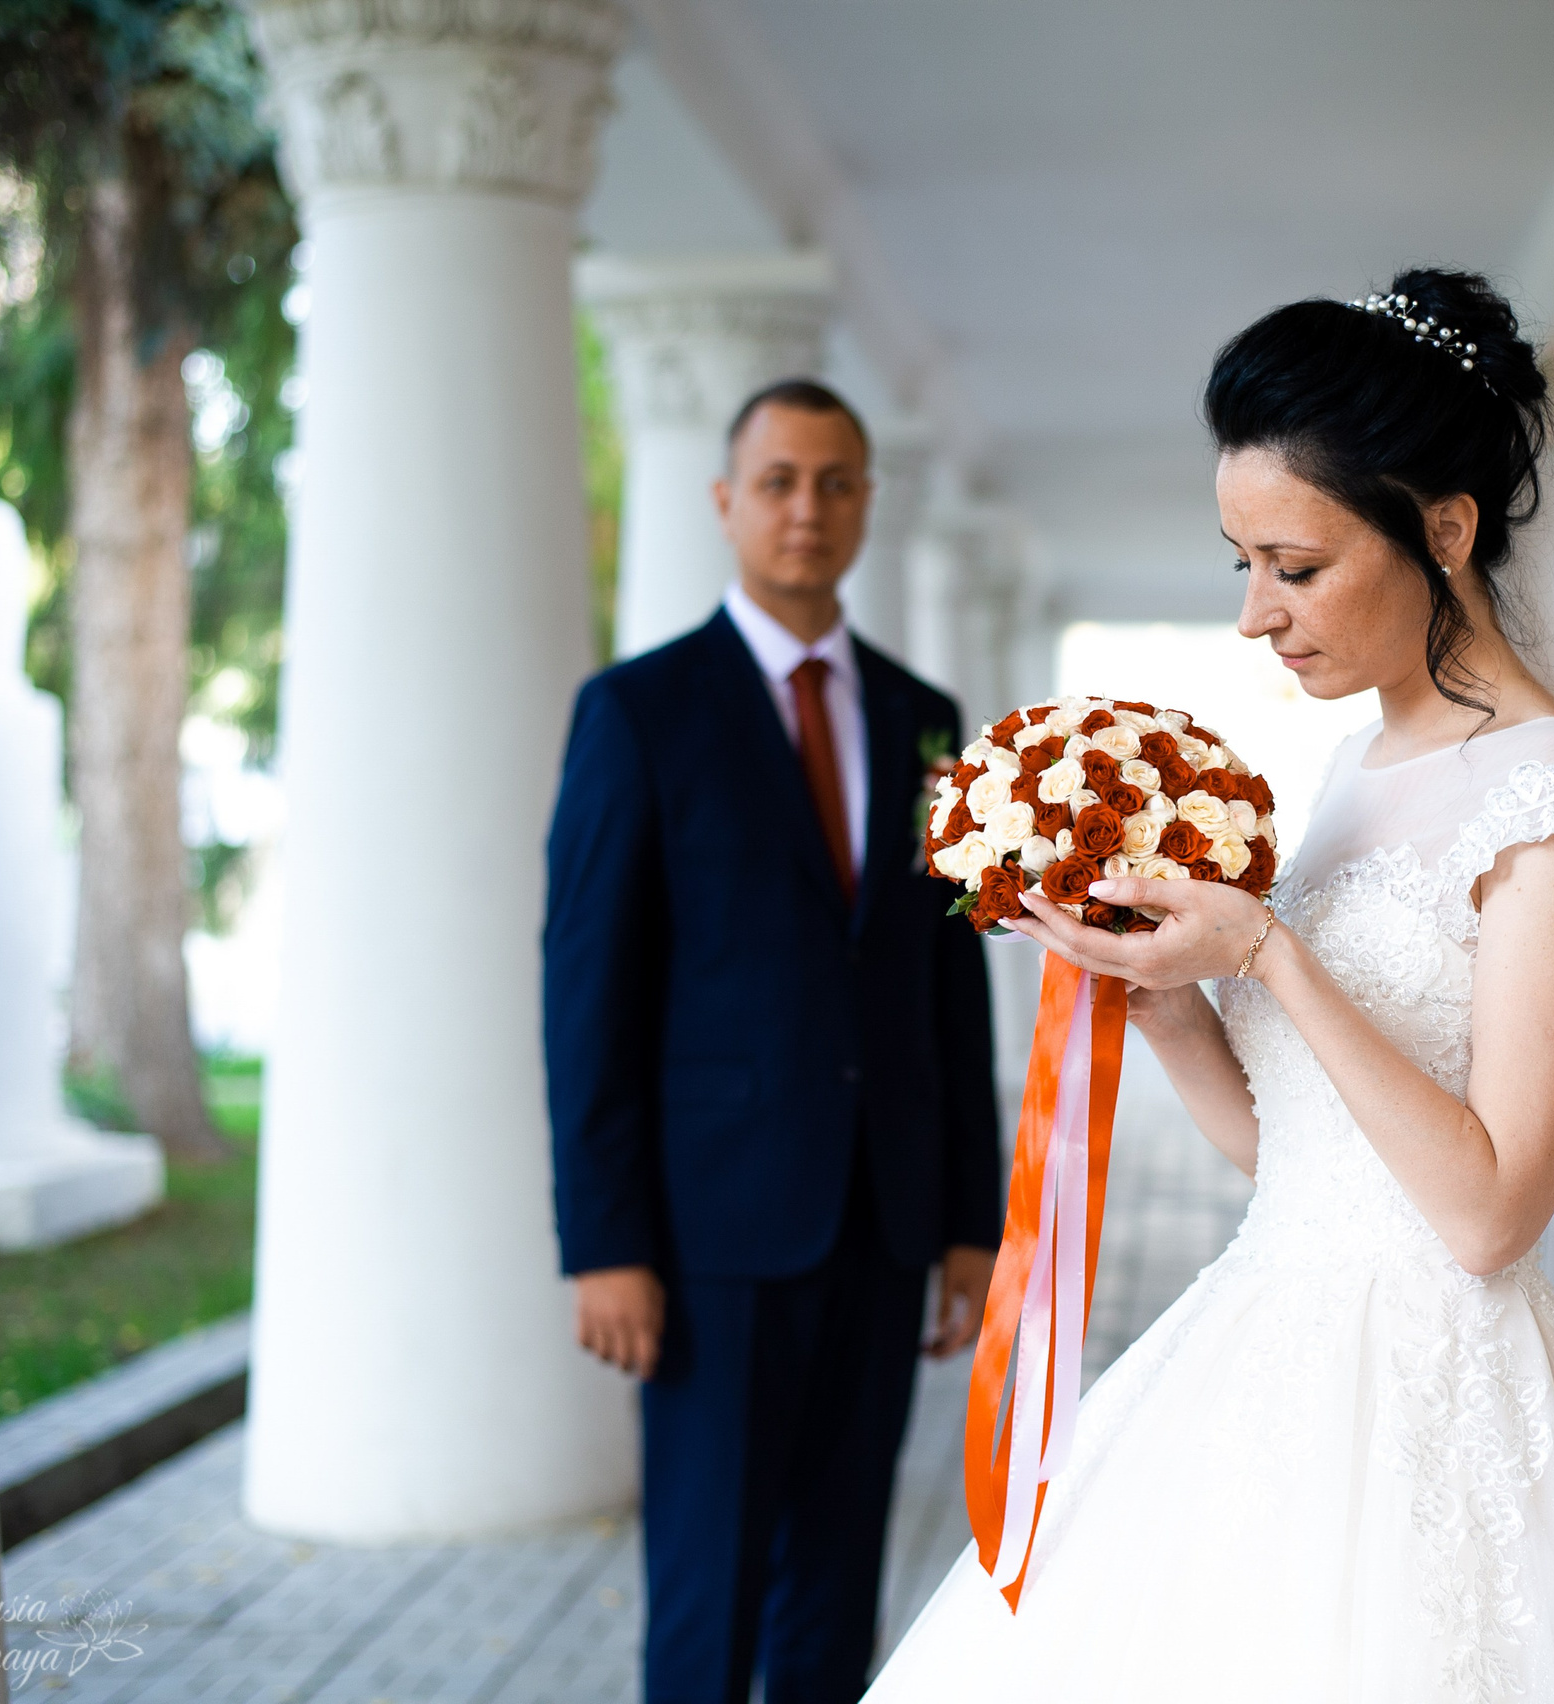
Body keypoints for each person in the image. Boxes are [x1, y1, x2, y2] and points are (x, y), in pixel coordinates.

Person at [866, 272, 1554, 1703]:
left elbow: (1490, 1214)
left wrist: (1265, 952)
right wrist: (1170, 997)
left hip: (1443, 1398)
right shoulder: (1359, 770)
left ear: (1445, 529)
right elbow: (1300, 1155)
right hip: (1258, 1347)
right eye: (1238, 563)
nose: (1257, 616)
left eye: (1295, 568)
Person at [543, 379, 1002, 1704]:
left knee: (835, 1589)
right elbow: (586, 993)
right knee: (710, 1588)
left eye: (837, 482)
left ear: (866, 500)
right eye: (782, 481)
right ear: (726, 502)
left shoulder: (926, 718)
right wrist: (606, 1242)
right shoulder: (639, 714)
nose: (809, 508)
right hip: (706, 1240)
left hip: (886, 1220)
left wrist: (974, 1220)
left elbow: (945, 983)